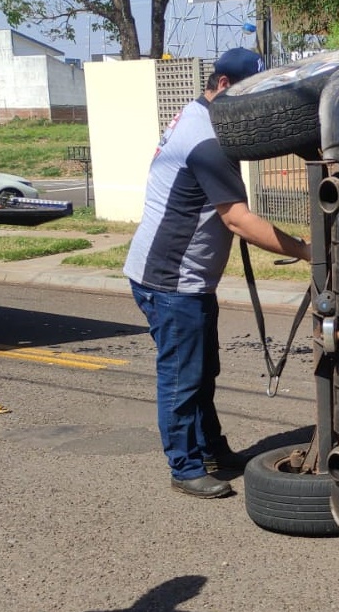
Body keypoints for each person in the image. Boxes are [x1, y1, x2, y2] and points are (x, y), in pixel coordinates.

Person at [124, 48, 311, 499]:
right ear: (224, 86)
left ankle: (212, 451)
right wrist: (308, 250)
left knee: (203, 370)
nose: (256, 107)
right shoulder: (207, 139)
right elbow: (238, 220)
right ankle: (185, 467)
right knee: (183, 377)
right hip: (171, 281)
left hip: (181, 277)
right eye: (249, 95)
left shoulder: (194, 115)